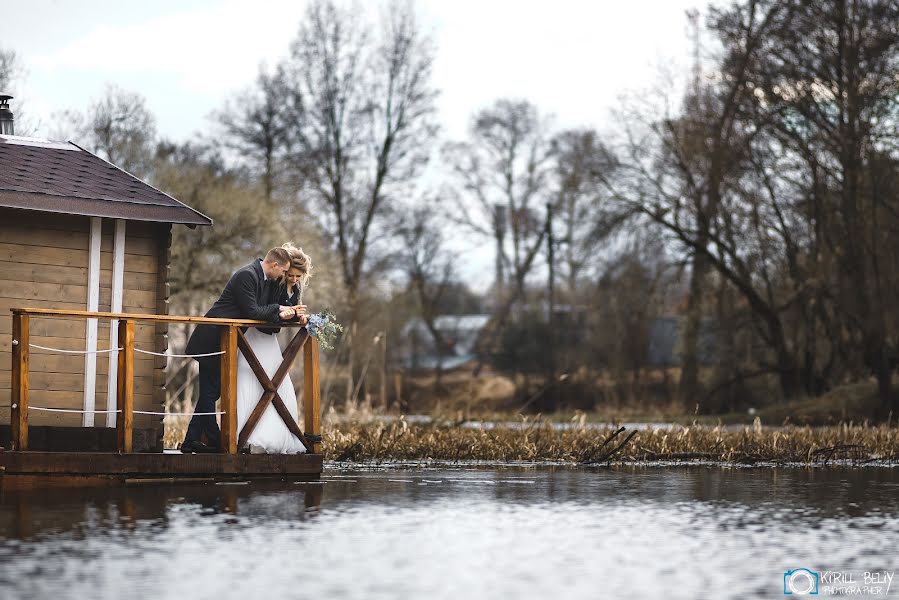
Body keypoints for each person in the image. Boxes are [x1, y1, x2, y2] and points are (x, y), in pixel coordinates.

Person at [181, 248, 298, 453]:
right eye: (283, 271)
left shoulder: (264, 279)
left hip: (225, 340)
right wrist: (278, 309)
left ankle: (191, 441)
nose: (283, 276)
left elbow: (264, 310)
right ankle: (215, 439)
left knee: (211, 393)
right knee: (210, 393)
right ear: (274, 265)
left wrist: (285, 311)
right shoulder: (247, 275)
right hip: (212, 338)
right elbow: (252, 312)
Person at [235, 243, 313, 454]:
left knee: (279, 386)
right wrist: (281, 311)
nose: (294, 280)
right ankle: (247, 437)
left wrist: (300, 316)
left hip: (271, 342)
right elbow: (262, 310)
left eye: (298, 277)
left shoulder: (295, 288)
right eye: (292, 275)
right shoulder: (272, 284)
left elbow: (293, 310)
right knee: (252, 383)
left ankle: (279, 435)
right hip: (255, 338)